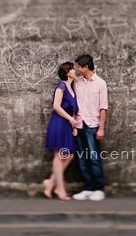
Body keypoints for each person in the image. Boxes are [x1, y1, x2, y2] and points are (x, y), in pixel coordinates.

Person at [71, 53, 108, 201]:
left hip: (93, 125)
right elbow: (74, 104)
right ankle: (88, 188)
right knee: (82, 158)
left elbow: (103, 108)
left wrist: (101, 128)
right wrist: (73, 123)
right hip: (79, 124)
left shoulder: (100, 83)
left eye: (79, 67)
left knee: (94, 157)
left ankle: (98, 189)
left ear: (86, 67)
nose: (77, 70)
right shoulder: (77, 82)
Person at [42, 61, 79, 200]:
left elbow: (74, 109)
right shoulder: (61, 86)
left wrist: (73, 126)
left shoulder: (72, 88)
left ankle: (51, 183)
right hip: (59, 123)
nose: (75, 71)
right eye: (73, 69)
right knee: (60, 155)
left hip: (68, 124)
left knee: (69, 156)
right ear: (67, 73)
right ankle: (60, 190)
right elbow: (56, 106)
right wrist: (70, 120)